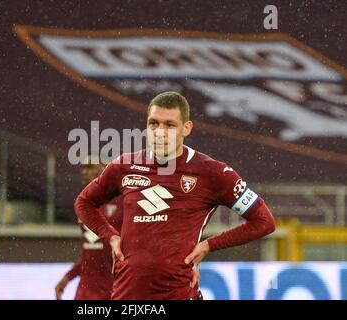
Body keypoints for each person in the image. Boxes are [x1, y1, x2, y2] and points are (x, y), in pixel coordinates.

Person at [75, 91, 276, 300]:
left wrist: (209, 245)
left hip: (179, 293)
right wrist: (112, 236)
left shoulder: (212, 172)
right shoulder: (124, 165)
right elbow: (84, 202)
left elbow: (264, 221)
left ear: (186, 128)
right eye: (154, 124)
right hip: (127, 296)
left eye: (169, 125)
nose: (160, 132)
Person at [55, 158, 123, 300]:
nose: (85, 172)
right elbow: (90, 254)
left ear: (106, 168)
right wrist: (68, 277)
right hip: (86, 290)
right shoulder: (84, 204)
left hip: (115, 288)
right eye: (83, 169)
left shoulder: (122, 201)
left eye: (91, 167)